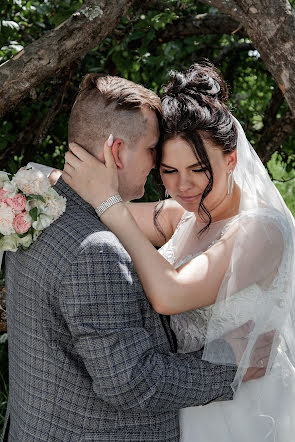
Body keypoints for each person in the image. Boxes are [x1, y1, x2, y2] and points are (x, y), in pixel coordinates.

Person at [1, 73, 270, 442]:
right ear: (116, 152)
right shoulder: (96, 247)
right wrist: (231, 365)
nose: (178, 183)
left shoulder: (28, 208)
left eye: (198, 169)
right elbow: (131, 382)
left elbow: (158, 239)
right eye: (156, 155)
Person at [62, 63, 295, 441]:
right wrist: (36, 184)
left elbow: (170, 294)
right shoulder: (181, 217)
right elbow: (92, 203)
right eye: (169, 170)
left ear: (231, 159)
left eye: (198, 169)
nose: (182, 186)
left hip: (249, 405)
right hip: (191, 398)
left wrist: (110, 203)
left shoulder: (262, 230)